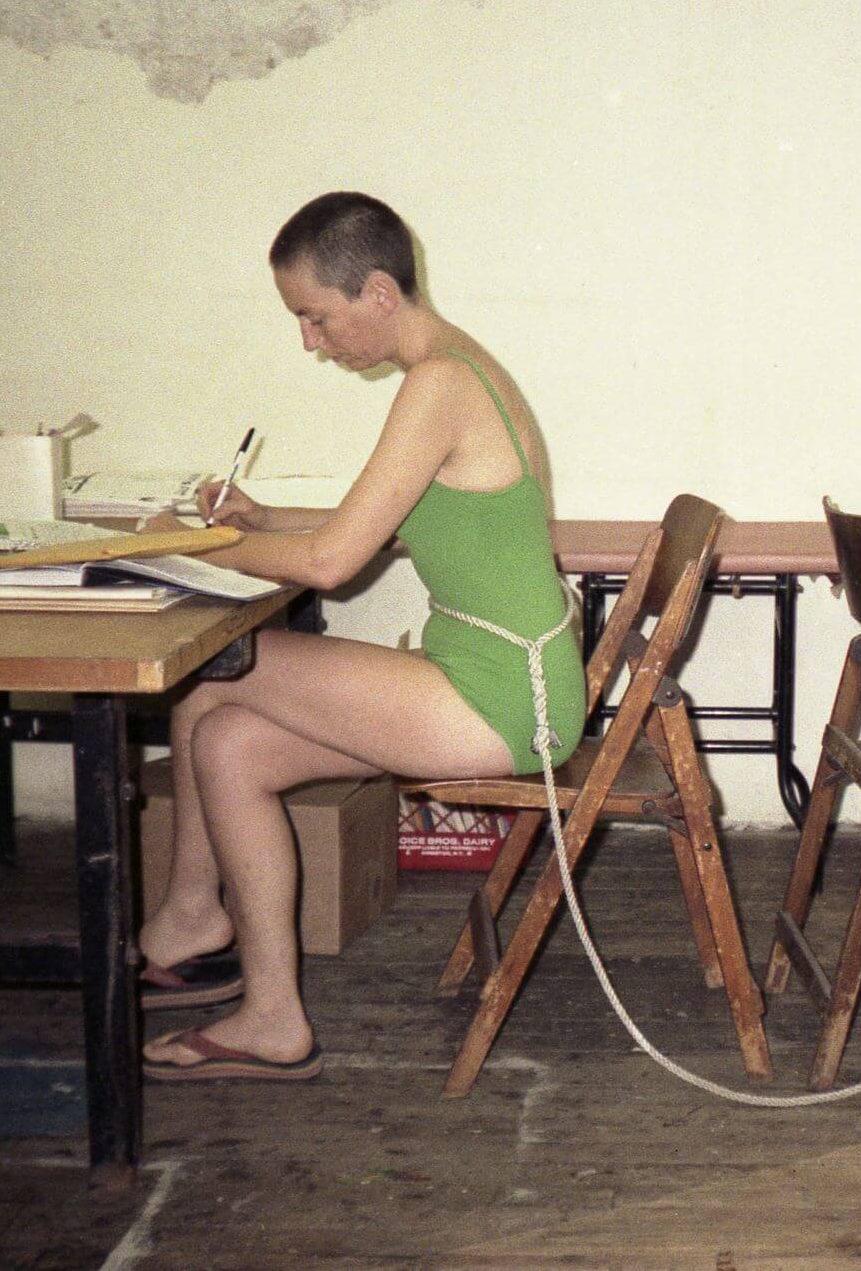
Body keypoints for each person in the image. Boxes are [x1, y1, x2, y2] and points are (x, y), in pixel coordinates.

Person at [134, 192, 584, 1082]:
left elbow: (334, 562)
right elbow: (375, 522)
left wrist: (186, 547)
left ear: (378, 291)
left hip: (502, 697)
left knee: (210, 675)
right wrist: (262, 521)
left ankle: (189, 917)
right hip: (494, 679)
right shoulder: (459, 370)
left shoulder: (441, 383)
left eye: (316, 316)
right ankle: (270, 1016)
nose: (311, 341)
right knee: (227, 744)